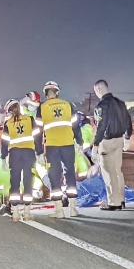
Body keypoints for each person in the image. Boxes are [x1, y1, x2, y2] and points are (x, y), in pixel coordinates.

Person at [36, 81, 83, 217]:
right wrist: (79, 143)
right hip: (68, 145)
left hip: (52, 147)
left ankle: (59, 211)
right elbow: (76, 127)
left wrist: (39, 152)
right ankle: (73, 209)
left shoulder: (42, 108)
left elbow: (38, 132)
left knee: (54, 177)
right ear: (57, 92)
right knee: (70, 175)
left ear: (46, 93)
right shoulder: (68, 105)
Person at [91, 79, 133, 211]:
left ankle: (113, 202)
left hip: (107, 142)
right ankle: (121, 200)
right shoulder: (120, 103)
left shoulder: (101, 106)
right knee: (117, 171)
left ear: (98, 90)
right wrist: (127, 137)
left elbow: (101, 126)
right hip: (119, 140)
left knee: (108, 172)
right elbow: (128, 121)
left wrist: (96, 144)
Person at [0, 98, 41, 221]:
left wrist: (3, 158)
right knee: (29, 182)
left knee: (15, 183)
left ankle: (16, 213)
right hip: (29, 154)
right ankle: (27, 213)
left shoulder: (8, 123)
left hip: (15, 154)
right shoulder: (30, 119)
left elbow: (4, 142)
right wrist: (40, 153)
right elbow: (37, 137)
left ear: (9, 111)